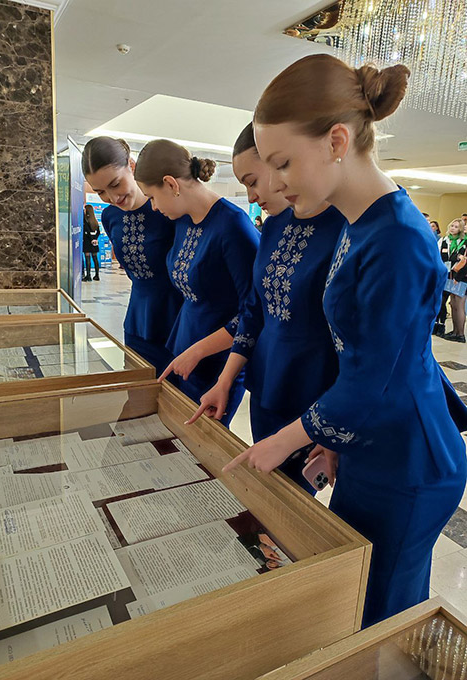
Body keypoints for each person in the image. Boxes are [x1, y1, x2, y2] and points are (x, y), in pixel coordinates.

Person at [222, 54, 467, 628]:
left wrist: (284, 439)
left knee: (382, 613)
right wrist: (333, 438)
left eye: (283, 163)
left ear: (337, 141)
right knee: (357, 602)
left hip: (407, 460)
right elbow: (358, 355)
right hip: (370, 442)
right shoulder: (361, 224)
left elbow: (379, 377)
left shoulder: (399, 238)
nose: (274, 184)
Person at [186, 122, 345, 493]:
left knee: (294, 497)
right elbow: (254, 311)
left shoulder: (345, 226)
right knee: (267, 490)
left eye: (253, 181)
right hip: (267, 383)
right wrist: (224, 380)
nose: (252, 196)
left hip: (316, 391)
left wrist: (335, 423)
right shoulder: (274, 226)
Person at [134, 139, 260, 427]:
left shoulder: (233, 227)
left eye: (152, 197)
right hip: (184, 351)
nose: (153, 207)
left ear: (171, 184)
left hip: (219, 363)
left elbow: (253, 312)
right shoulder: (183, 219)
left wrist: (199, 351)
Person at [81, 137, 183, 376]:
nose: (112, 197)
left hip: (178, 320)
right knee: (138, 391)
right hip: (137, 321)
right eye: (100, 192)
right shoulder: (110, 216)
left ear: (132, 165)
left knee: (176, 396)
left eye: (115, 184)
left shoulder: (168, 209)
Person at [443, 217, 467, 343]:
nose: (453, 228)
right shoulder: (452, 241)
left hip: (461, 277)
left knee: (459, 305)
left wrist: (458, 277)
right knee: (453, 304)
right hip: (452, 276)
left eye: (457, 227)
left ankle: (461, 334)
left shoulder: (464, 243)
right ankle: (455, 331)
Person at [82, 204, 101, 281]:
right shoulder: (95, 221)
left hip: (87, 242)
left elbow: (86, 231)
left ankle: (88, 276)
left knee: (87, 258)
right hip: (94, 242)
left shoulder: (85, 220)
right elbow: (98, 232)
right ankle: (97, 275)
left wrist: (91, 239)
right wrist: (95, 239)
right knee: (95, 258)